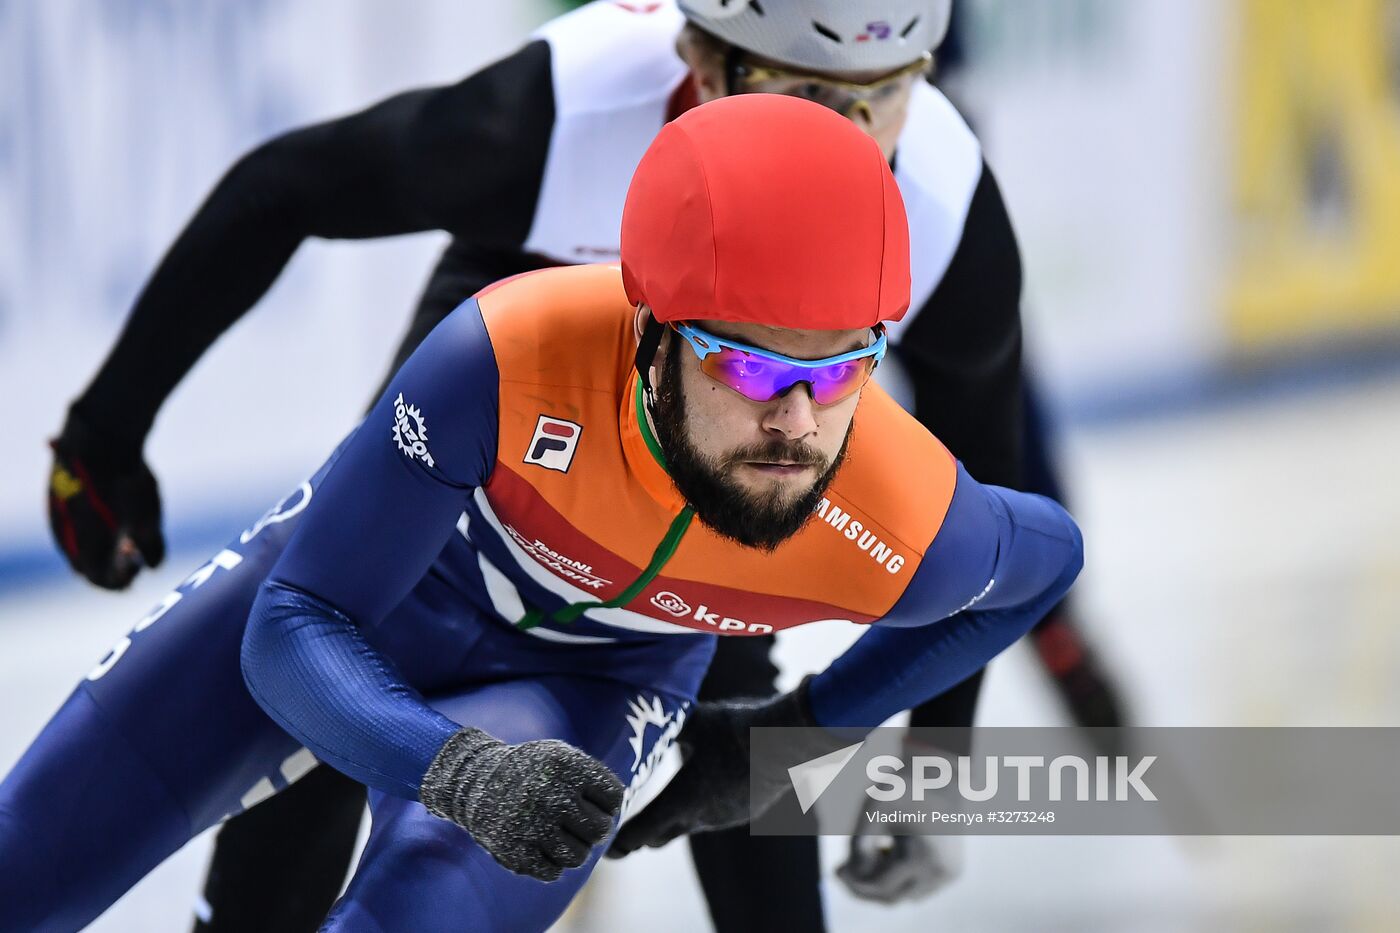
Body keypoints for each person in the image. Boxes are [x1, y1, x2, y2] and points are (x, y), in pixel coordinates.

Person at [42, 1, 1115, 926]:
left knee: (734, 680)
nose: (840, 136)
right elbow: (287, 188)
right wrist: (103, 433)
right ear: (700, 59)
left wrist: (921, 769)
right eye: (804, 90)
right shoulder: (568, 111)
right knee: (337, 688)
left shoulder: (941, 201)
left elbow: (986, 509)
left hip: (695, 479)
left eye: (881, 95)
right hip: (515, 397)